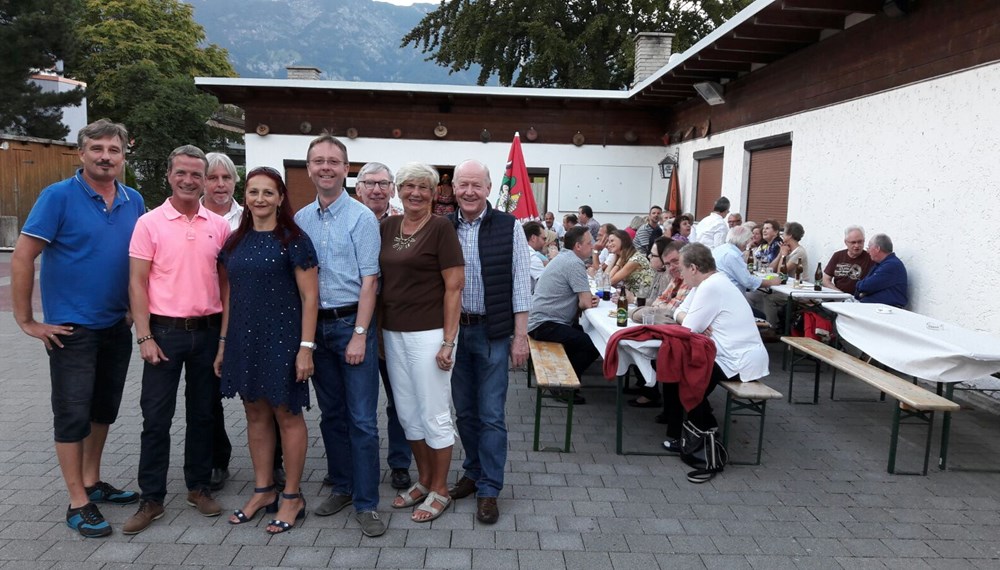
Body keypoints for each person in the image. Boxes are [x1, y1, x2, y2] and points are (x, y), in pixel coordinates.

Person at [11, 119, 144, 538]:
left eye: (114, 150)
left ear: (125, 155)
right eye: (97, 148)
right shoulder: (58, 197)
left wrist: (132, 310)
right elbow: (22, 256)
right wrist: (27, 320)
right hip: (70, 330)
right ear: (82, 152)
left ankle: (92, 480)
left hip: (114, 325)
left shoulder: (134, 199)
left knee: (103, 410)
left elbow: (139, 261)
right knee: (72, 416)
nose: (106, 156)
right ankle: (77, 501)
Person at [125, 145, 231, 534]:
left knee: (203, 415)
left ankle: (198, 486)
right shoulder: (149, 223)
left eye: (196, 175)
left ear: (205, 180)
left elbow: (226, 287)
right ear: (169, 175)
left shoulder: (219, 227)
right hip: (164, 333)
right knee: (156, 418)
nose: (189, 180)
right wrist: (144, 336)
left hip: (205, 333)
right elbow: (137, 283)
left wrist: (223, 341)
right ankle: (151, 497)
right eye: (181, 173)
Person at [214, 167, 318, 534]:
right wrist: (224, 344)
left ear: (280, 198)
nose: (260, 199)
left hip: (283, 340)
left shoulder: (294, 239)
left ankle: (292, 496)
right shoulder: (234, 243)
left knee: (287, 414)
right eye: (253, 192)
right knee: (254, 414)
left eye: (268, 193)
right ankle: (263, 490)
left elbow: (310, 297)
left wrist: (306, 348)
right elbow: (229, 297)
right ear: (246, 197)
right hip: (244, 339)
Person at [293, 135, 385, 537]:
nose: (326, 167)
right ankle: (343, 485)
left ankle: (367, 502)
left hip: (352, 324)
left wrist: (361, 334)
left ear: (346, 170)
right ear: (310, 169)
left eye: (334, 161)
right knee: (332, 415)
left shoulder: (362, 217)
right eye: (319, 161)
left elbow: (370, 282)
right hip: (318, 329)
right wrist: (305, 341)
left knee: (362, 419)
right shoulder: (300, 220)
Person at [446, 159, 532, 525]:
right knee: (464, 411)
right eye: (462, 185)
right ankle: (473, 470)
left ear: (488, 188)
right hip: (454, 333)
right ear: (453, 188)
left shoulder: (510, 227)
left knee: (492, 415)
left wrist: (521, 337)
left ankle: (489, 489)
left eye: (476, 185)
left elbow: (521, 284)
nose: (468, 191)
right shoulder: (442, 227)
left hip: (493, 332)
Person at [379, 162, 465, 523]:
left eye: (424, 187)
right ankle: (424, 479)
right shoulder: (387, 226)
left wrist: (448, 341)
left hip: (430, 334)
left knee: (434, 412)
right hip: (392, 333)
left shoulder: (442, 228)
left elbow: (454, 287)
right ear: (398, 190)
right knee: (408, 413)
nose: (415, 192)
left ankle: (441, 488)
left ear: (435, 193)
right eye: (408, 185)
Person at [662, 243, 769, 452]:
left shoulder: (712, 286)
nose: (681, 275)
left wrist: (691, 320)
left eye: (682, 269)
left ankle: (697, 432)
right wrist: (690, 319)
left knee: (681, 374)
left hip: (739, 360)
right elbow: (679, 312)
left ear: (693, 268)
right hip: (724, 354)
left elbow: (690, 327)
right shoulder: (706, 283)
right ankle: (700, 427)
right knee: (676, 371)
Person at [354, 162, 412, 490]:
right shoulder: (347, 220)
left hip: (394, 326)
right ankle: (356, 465)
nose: (377, 189)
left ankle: (400, 463)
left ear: (391, 189)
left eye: (383, 183)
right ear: (358, 188)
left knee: (399, 399)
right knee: (357, 405)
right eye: (370, 183)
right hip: (355, 326)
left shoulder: (404, 225)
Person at [201, 152, 241, 491]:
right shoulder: (190, 217)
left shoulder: (248, 215)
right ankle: (217, 458)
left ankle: (274, 463)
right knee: (208, 394)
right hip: (208, 315)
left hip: (248, 314)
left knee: (259, 392)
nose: (220, 184)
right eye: (212, 178)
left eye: (225, 178)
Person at [527, 225, 601, 392]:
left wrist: (585, 299)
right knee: (593, 344)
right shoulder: (574, 263)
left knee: (585, 335)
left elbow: (583, 300)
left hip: (540, 320)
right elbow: (585, 303)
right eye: (590, 243)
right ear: (578, 246)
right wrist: (587, 300)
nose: (593, 245)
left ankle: (567, 381)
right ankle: (563, 385)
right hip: (544, 324)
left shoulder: (564, 257)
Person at [714, 225, 782, 292]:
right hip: (732, 293)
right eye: (750, 239)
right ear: (744, 241)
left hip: (721, 290)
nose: (750, 241)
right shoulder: (733, 255)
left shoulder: (719, 249)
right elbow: (747, 281)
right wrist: (770, 282)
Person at [855, 233, 908, 307]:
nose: (867, 251)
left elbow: (865, 286)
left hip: (885, 312)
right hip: (874, 309)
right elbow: (861, 289)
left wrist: (860, 286)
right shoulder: (880, 264)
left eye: (869, 247)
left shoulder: (891, 265)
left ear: (877, 249)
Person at [822, 225, 873, 295]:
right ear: (846, 242)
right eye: (853, 242)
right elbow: (825, 280)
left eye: (860, 242)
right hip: (838, 297)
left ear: (864, 241)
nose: (857, 245)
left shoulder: (871, 258)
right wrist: (839, 294)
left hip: (858, 300)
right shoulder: (838, 256)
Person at [605, 230, 654, 297]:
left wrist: (618, 263)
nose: (608, 244)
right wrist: (614, 257)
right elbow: (605, 278)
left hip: (641, 300)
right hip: (631, 296)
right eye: (608, 242)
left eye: (612, 241)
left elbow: (609, 281)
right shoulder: (623, 257)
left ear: (622, 240)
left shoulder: (635, 259)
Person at [523, 221, 549, 291]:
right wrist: (555, 259)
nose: (545, 242)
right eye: (543, 238)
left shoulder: (522, 251)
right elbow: (547, 284)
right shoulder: (532, 258)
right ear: (533, 238)